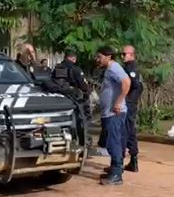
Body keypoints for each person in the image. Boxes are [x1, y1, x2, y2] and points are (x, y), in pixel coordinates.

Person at [95, 46, 130, 186]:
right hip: (109, 113)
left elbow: (127, 82)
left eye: (99, 57)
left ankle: (116, 174)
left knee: (113, 142)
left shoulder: (114, 68)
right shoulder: (109, 70)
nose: (97, 59)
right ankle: (115, 169)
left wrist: (118, 102)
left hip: (114, 112)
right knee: (113, 141)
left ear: (108, 57)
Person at [52, 50, 92, 149]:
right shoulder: (75, 69)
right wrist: (88, 92)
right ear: (74, 58)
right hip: (75, 99)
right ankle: (83, 144)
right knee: (82, 121)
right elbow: (83, 86)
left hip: (59, 100)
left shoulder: (57, 68)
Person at [121, 45, 143, 173]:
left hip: (129, 104)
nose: (122, 56)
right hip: (129, 103)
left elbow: (135, 85)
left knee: (127, 131)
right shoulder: (128, 67)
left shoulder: (131, 68)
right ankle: (130, 160)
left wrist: (127, 98)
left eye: (124, 54)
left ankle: (127, 160)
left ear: (132, 54)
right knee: (127, 130)